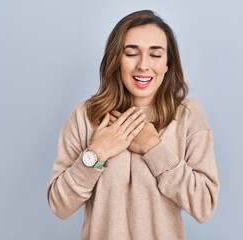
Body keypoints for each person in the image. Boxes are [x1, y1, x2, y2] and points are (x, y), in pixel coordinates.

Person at [47, 9, 220, 240]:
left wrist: (154, 149)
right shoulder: (85, 116)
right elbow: (59, 205)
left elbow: (204, 205)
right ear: (116, 59)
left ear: (168, 63)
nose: (143, 65)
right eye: (131, 53)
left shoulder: (189, 116)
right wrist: (96, 153)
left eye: (155, 55)